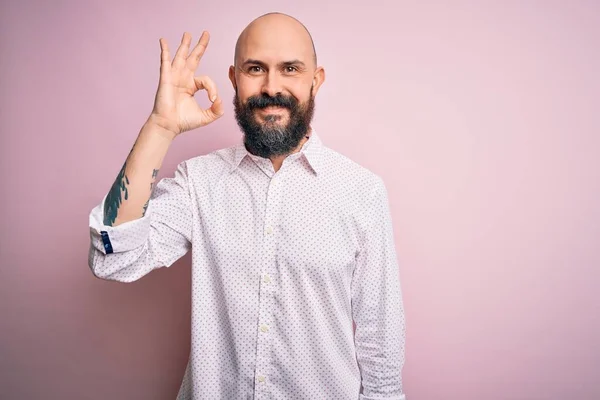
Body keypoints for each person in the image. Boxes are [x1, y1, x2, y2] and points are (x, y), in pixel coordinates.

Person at [88, 12, 407, 400]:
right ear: (235, 78)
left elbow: (381, 342)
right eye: (256, 68)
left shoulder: (362, 192)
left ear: (315, 80)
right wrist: (161, 126)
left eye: (290, 68)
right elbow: (114, 259)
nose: (272, 86)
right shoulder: (198, 182)